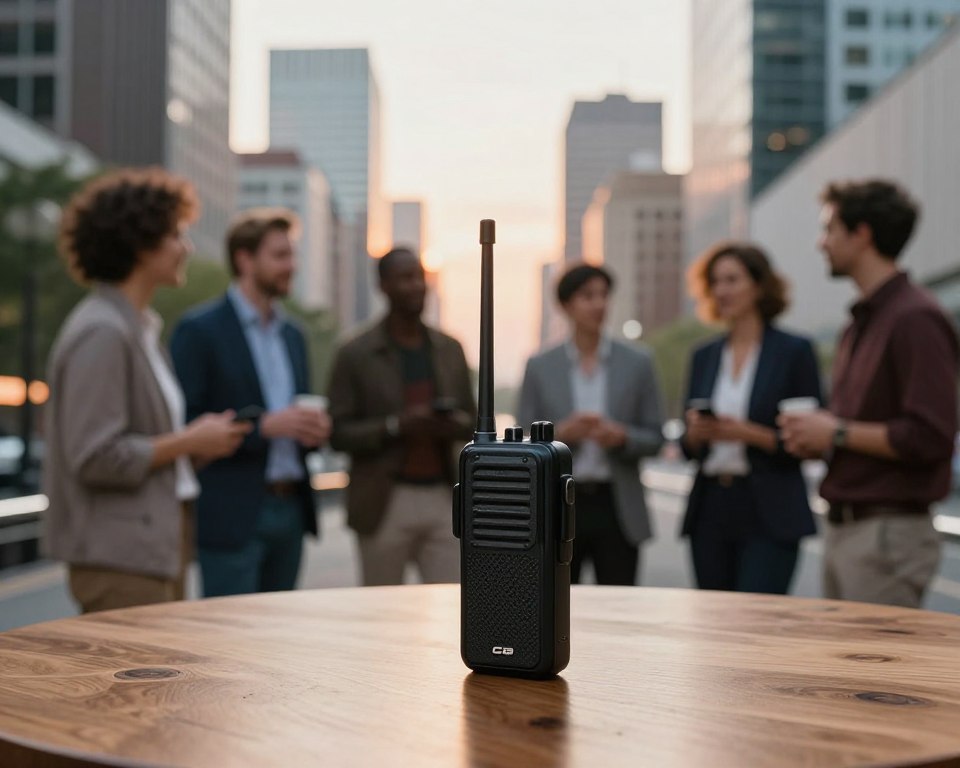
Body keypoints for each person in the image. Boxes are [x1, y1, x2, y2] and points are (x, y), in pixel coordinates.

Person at [44, 168, 249, 613]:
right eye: (176, 235)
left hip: (154, 546)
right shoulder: (103, 331)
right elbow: (95, 457)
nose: (187, 248)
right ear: (140, 242)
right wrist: (188, 441)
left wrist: (198, 443)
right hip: (120, 556)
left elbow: (142, 446)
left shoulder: (141, 329)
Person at [780, 179, 959, 608]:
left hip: (886, 534)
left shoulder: (915, 317)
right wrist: (821, 438)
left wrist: (835, 432)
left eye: (830, 229)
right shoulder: (861, 322)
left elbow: (930, 436)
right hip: (849, 528)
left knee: (872, 655)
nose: (821, 243)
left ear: (862, 234)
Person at [170, 208, 330, 597]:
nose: (291, 266)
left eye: (292, 255)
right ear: (245, 259)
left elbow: (298, 412)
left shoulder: (294, 334)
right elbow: (185, 422)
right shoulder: (199, 330)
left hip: (291, 510)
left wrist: (316, 431)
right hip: (231, 515)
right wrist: (264, 427)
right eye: (280, 255)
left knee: (279, 631)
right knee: (228, 632)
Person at [327, 247, 475, 586]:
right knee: (381, 609)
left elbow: (474, 422)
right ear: (383, 285)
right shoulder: (355, 353)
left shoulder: (449, 349)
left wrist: (450, 424)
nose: (417, 286)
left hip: (443, 496)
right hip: (383, 500)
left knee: (453, 602)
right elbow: (337, 432)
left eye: (420, 277)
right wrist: (397, 426)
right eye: (405, 278)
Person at [681, 243, 822, 594]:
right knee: (712, 620)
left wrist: (747, 433)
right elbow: (686, 446)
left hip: (771, 508)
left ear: (759, 286)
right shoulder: (703, 355)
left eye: (732, 280)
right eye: (715, 282)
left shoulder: (794, 351)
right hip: (711, 507)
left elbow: (810, 441)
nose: (721, 290)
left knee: (759, 618)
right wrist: (697, 433)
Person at [518, 263, 664, 586]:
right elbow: (523, 440)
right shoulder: (540, 366)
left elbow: (656, 436)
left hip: (617, 504)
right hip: (558, 503)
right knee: (557, 602)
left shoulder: (638, 362)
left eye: (603, 295)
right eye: (587, 296)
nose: (599, 304)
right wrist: (561, 435)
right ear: (566, 305)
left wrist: (622, 436)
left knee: (619, 604)